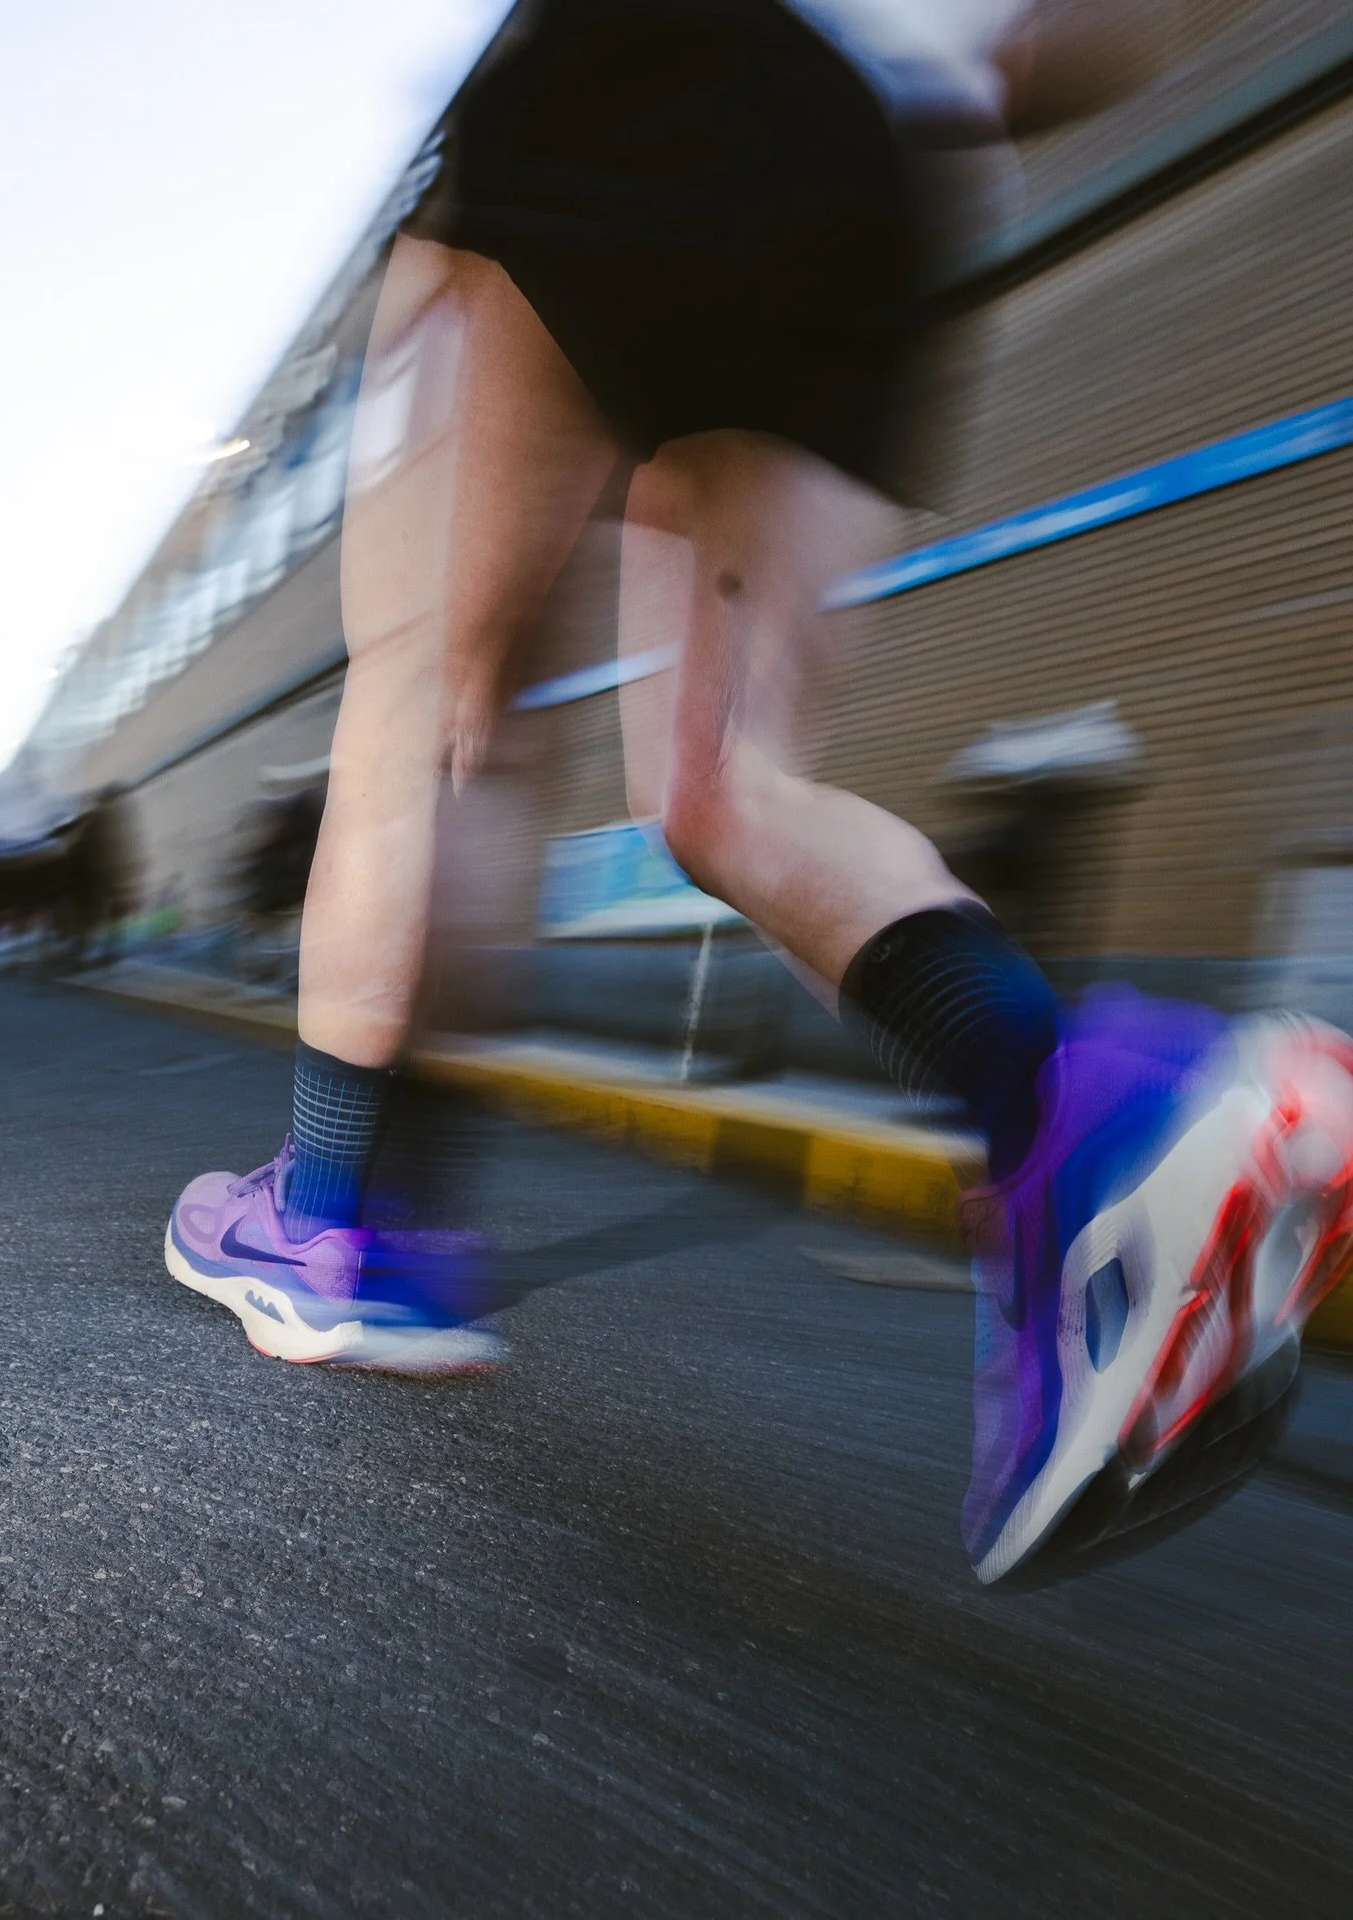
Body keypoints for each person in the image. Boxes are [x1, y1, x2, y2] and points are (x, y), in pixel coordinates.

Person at [166, 0, 1353, 1582]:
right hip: (866, 162)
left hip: (636, 64)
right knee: (730, 785)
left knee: (436, 694)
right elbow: (1086, 42)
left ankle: (331, 1224)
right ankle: (1092, 1106)